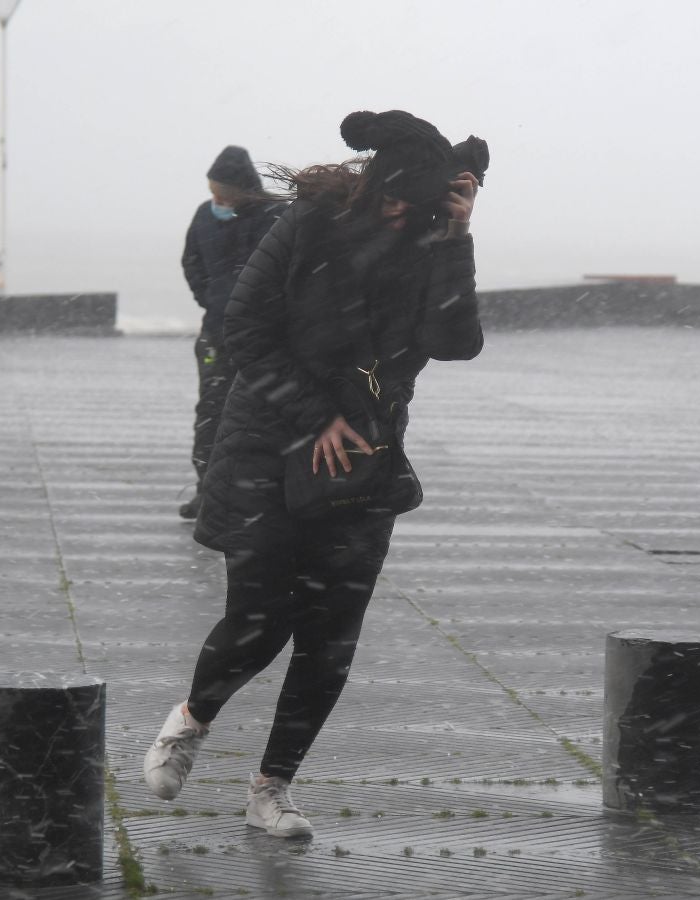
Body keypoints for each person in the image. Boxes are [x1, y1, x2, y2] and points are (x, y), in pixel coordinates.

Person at [144, 110, 489, 838]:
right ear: (370, 184)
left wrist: (456, 240)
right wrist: (314, 418)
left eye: (416, 205)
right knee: (259, 618)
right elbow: (245, 330)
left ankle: (273, 787)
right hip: (268, 444)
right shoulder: (308, 224)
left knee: (331, 637)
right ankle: (192, 719)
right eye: (391, 198)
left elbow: (454, 342)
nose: (400, 213)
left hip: (364, 458)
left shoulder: (431, 240)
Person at [178, 145, 286, 519]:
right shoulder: (203, 216)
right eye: (212, 193)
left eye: (223, 194)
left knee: (262, 418)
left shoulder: (277, 216)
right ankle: (206, 492)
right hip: (215, 334)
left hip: (264, 340)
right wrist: (211, 300)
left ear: (244, 189)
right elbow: (191, 262)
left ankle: (259, 496)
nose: (216, 200)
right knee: (211, 412)